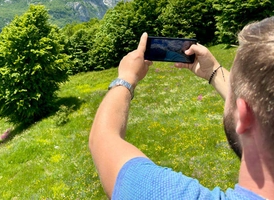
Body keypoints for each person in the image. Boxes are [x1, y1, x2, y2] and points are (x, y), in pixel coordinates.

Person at [89, 17, 274, 199]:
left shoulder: (167, 195)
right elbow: (261, 104)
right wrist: (213, 71)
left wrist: (126, 78)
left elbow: (102, 139)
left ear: (244, 116)